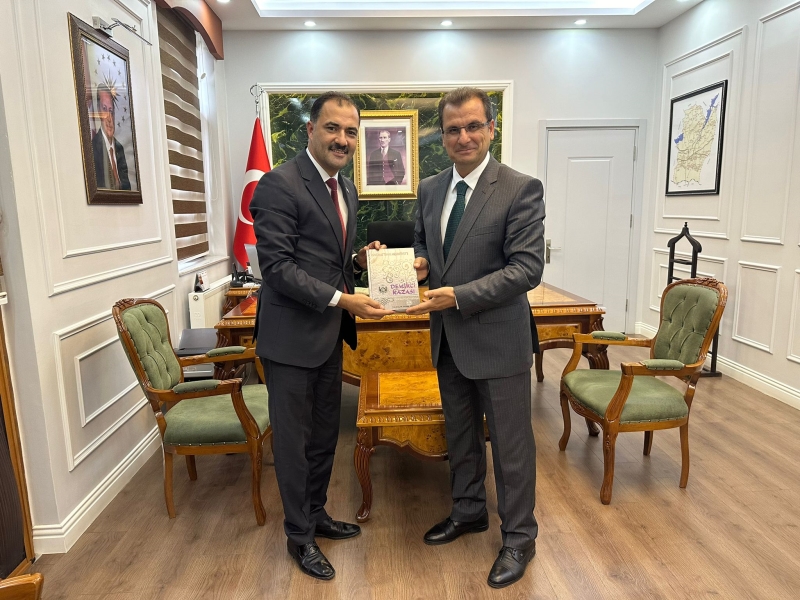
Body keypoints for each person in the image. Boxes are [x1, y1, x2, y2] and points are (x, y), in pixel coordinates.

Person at [249, 92, 393, 581]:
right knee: (294, 442)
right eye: (333, 128)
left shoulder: (345, 188)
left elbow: (325, 260)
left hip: (329, 336)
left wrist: (358, 261)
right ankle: (299, 536)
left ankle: (316, 513)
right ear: (310, 129)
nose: (342, 139)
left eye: (351, 132)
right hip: (290, 340)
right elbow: (277, 268)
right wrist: (344, 301)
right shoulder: (278, 184)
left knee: (325, 435)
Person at [407, 87, 545, 589]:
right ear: (442, 136)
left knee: (511, 447)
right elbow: (425, 243)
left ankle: (520, 537)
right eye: (452, 129)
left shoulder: (520, 188)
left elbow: (526, 268)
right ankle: (468, 512)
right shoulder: (429, 189)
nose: (463, 136)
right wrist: (421, 263)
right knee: (460, 436)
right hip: (447, 341)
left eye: (472, 126)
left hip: (499, 342)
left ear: (491, 128)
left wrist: (458, 296)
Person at [91, 84, 131, 190]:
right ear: (98, 112)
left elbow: (127, 190)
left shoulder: (119, 148)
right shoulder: (93, 149)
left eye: (111, 111)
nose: (109, 119)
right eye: (104, 109)